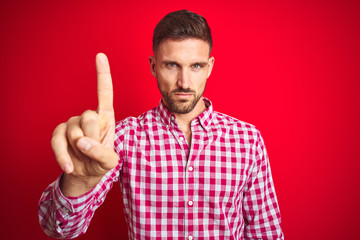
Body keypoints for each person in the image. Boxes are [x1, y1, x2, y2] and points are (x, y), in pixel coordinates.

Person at [38, 10, 284, 239]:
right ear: (154, 66)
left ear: (209, 68)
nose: (184, 82)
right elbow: (58, 229)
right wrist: (79, 182)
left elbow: (266, 233)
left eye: (195, 66)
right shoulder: (124, 137)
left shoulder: (247, 140)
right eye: (172, 65)